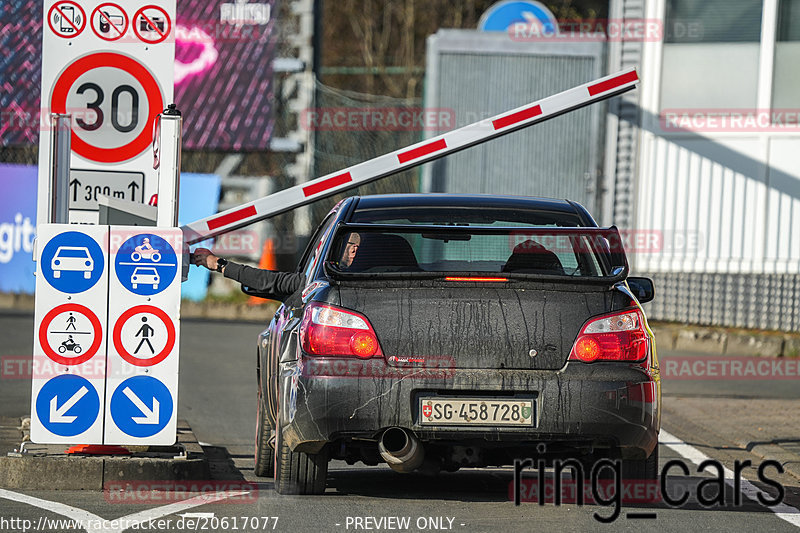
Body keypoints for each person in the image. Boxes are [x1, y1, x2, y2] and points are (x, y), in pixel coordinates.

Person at [191, 232, 361, 301]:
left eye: (357, 247)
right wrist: (221, 265)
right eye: (352, 244)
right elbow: (270, 280)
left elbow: (270, 281)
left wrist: (219, 265)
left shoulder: (321, 282)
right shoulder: (322, 280)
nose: (354, 250)